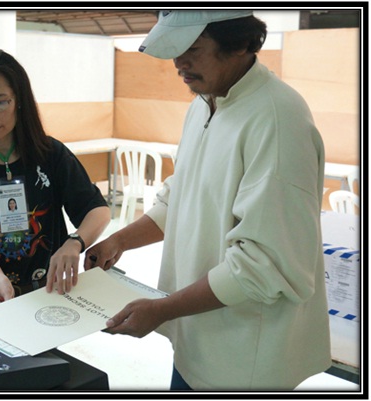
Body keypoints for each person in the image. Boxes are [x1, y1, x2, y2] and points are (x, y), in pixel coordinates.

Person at [84, 11, 331, 390]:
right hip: (197, 338)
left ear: (241, 44)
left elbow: (263, 265)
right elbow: (181, 196)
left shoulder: (278, 119)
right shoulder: (204, 103)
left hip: (244, 359)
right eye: (175, 50)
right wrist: (120, 240)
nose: (179, 63)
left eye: (193, 49)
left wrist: (162, 309)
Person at [0, 49, 110, 314]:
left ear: (19, 99)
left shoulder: (50, 154)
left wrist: (75, 242)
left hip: (45, 293)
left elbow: (97, 210)